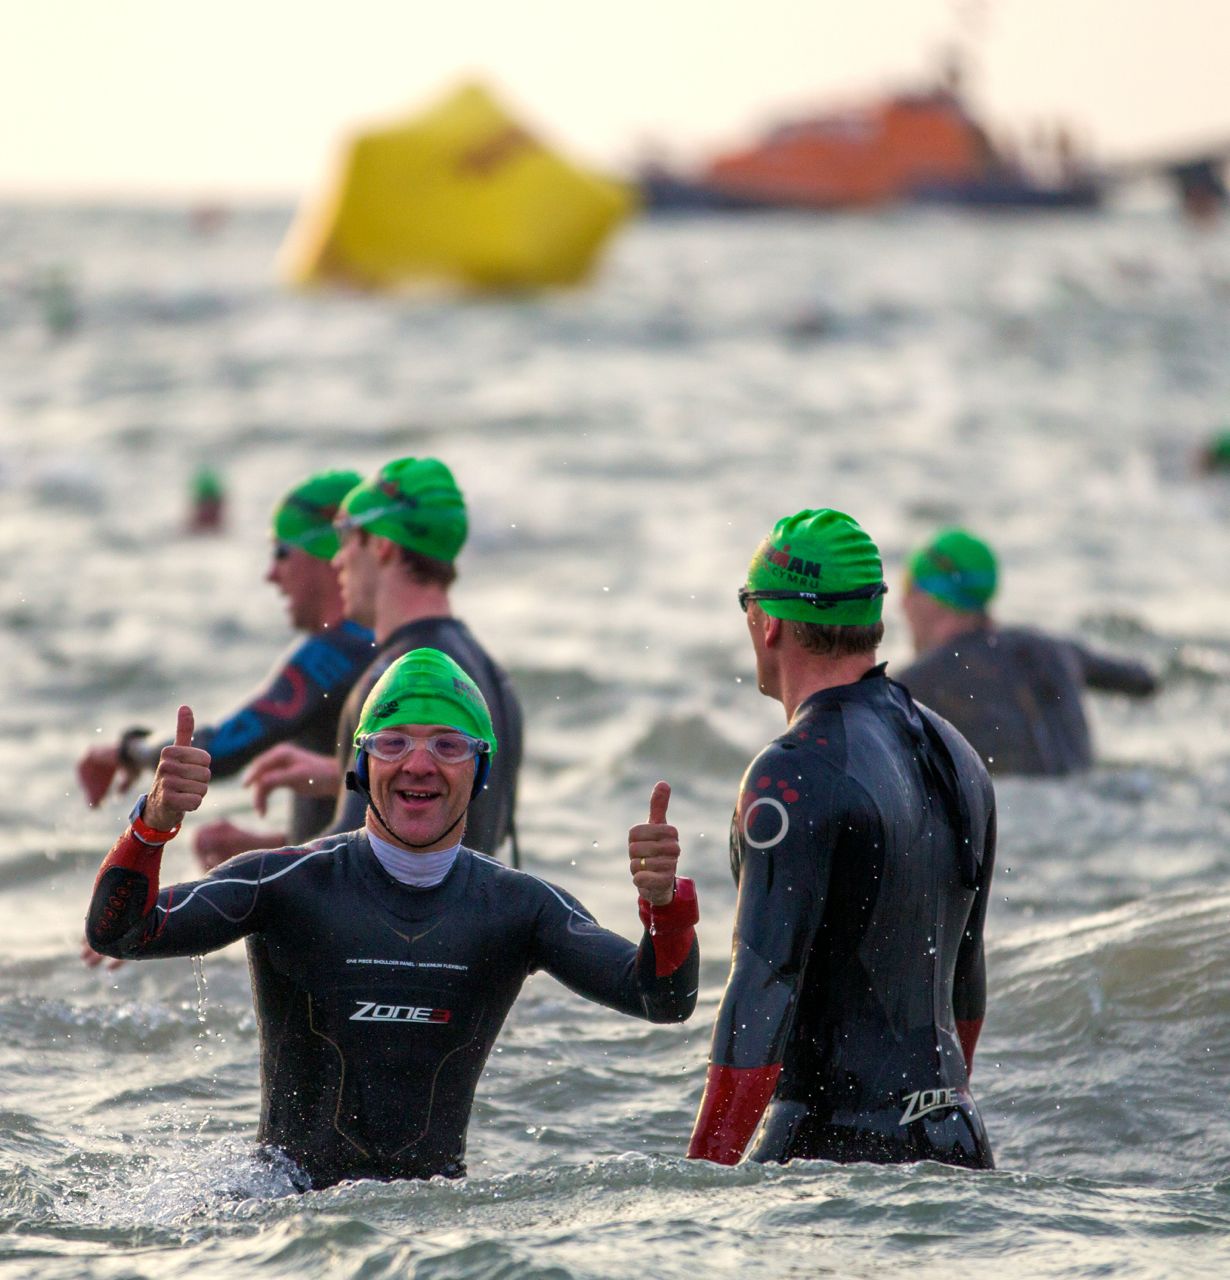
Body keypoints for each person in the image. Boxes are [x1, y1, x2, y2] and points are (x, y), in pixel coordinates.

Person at [84, 649, 699, 1189]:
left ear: (479, 769)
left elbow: (663, 998)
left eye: (449, 745)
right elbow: (120, 930)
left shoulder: (520, 907)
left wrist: (665, 905)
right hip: (286, 1221)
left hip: (443, 1230)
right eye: (394, 741)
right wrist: (154, 821)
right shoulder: (285, 883)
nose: (420, 764)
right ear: (362, 766)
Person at [687, 509, 995, 1170]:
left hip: (835, 1150)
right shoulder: (958, 754)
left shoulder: (791, 774)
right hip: (959, 1138)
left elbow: (760, 988)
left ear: (767, 621)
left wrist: (695, 1192)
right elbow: (965, 984)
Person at [77, 470, 374, 870]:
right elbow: (376, 822)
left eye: (281, 552)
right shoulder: (390, 645)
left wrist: (129, 749)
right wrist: (269, 845)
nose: (271, 574)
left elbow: (217, 749)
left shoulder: (337, 651)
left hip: (349, 910)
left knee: (116, 927)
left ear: (326, 555)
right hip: (372, 891)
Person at [241, 457, 523, 860]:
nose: (337, 560)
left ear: (382, 545)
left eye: (344, 535)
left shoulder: (399, 677)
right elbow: (444, 837)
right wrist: (336, 779)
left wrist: (223, 886)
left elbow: (355, 863)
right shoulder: (488, 675)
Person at [895, 527, 1157, 777]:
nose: (901, 603)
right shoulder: (1059, 651)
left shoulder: (910, 687)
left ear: (931, 598)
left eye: (907, 586)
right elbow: (1144, 682)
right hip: (1091, 791)